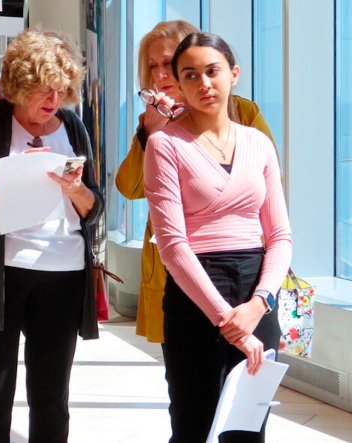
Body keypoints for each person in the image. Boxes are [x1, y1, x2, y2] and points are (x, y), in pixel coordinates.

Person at [0, 29, 103, 443]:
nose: (52, 100)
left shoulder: (73, 126)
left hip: (63, 275)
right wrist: (3, 184)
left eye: (61, 90)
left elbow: (94, 206)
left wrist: (76, 190)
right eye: (43, 89)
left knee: (51, 397)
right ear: (19, 86)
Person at [143, 32, 291, 442]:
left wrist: (260, 303)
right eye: (190, 75)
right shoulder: (164, 145)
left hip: (256, 293)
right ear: (177, 83)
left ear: (233, 74)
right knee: (195, 422)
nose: (204, 83)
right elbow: (172, 246)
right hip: (197, 292)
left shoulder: (258, 143)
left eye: (213, 71)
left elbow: (279, 235)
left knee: (248, 425)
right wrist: (227, 319)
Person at [114, 20, 275, 344]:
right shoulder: (154, 124)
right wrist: (148, 134)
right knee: (188, 368)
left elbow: (270, 187)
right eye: (153, 66)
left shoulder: (242, 113)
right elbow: (129, 189)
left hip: (243, 260)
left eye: (169, 63)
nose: (161, 74)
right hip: (176, 263)